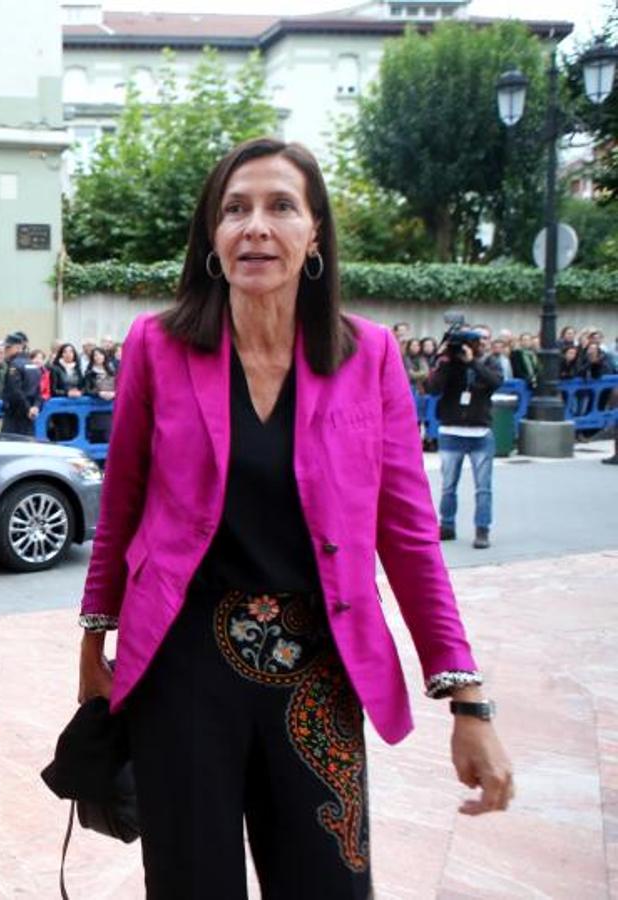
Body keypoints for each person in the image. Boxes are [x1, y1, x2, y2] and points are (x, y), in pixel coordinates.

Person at [77, 138, 511, 899]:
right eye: (235, 209)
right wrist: (93, 645)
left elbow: (409, 537)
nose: (256, 227)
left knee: (329, 885)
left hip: (317, 676)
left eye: (281, 207)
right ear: (211, 238)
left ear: (314, 235)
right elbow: (120, 508)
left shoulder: (368, 356)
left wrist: (466, 698)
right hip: (181, 670)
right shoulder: (158, 345)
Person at [427, 327, 503, 549]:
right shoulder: (448, 364)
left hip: (480, 432)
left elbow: (495, 382)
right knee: (448, 485)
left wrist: (472, 363)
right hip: (451, 431)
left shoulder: (488, 362)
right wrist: (443, 360)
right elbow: (432, 389)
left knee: (483, 487)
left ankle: (482, 530)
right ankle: (447, 525)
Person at [0, 331, 38, 436]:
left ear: (17, 347)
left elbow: (15, 391)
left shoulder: (15, 365)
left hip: (15, 415)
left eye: (8, 347)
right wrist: (35, 407)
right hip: (29, 414)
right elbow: (38, 390)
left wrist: (27, 408)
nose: (5, 350)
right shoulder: (32, 364)